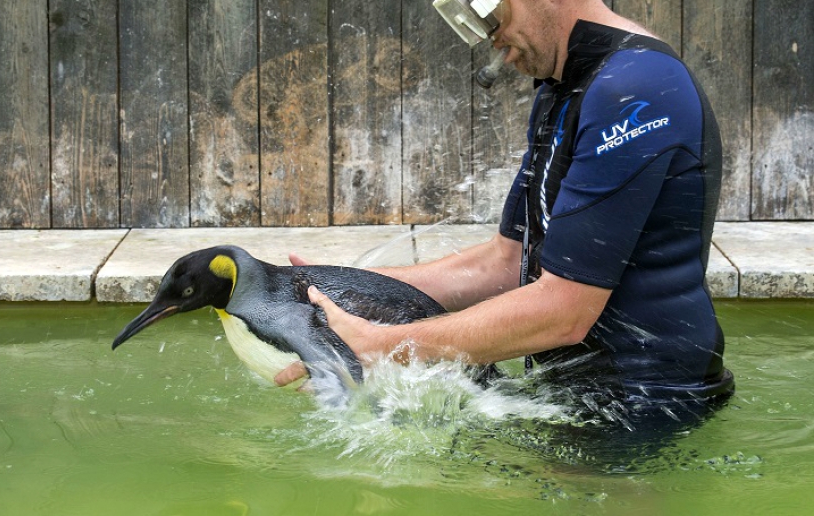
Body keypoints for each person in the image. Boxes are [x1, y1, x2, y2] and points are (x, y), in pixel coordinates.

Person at [275, 0, 734, 419]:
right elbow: (506, 261)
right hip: (573, 393)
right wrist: (339, 289)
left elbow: (564, 310)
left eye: (492, 16)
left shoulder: (635, 87)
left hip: (651, 400)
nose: (490, 41)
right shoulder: (563, 87)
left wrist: (385, 346)